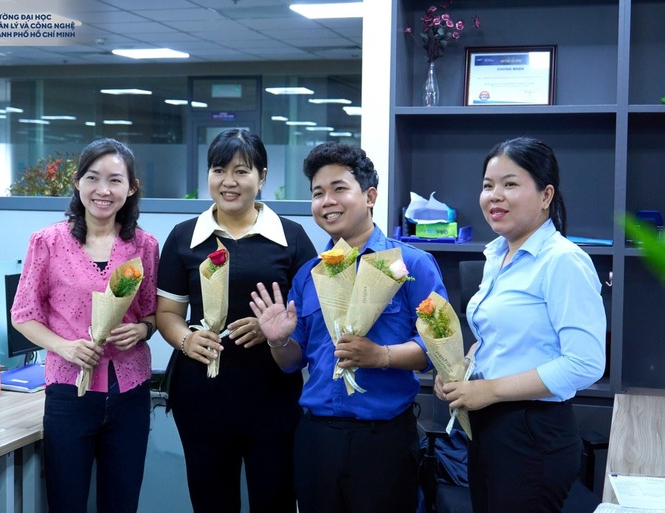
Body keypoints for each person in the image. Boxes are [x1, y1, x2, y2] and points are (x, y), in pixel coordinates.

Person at [250, 141, 447, 513]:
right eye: (317, 193)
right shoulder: (309, 274)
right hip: (317, 439)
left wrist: (380, 355)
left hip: (383, 439)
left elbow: (437, 349)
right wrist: (277, 342)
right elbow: (292, 363)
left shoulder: (412, 265)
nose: (327, 201)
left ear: (370, 196)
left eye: (339, 189)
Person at [434, 137, 606, 512]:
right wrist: (460, 372)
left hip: (532, 432)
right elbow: (499, 339)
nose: (495, 196)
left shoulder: (562, 260)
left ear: (546, 195)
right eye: (488, 185)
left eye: (510, 184)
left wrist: (490, 389)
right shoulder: (498, 254)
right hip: (487, 426)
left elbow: (585, 363)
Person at [156, 128, 317, 513]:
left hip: (273, 394)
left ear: (262, 177)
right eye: (219, 170)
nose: (228, 181)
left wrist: (271, 330)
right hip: (202, 395)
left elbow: (312, 316)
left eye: (241, 171)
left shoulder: (291, 238)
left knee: (275, 500)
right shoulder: (184, 237)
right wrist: (186, 340)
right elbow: (167, 313)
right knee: (211, 501)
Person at [10, 138, 159, 513]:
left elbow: (153, 312)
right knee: (67, 502)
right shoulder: (46, 242)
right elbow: (23, 314)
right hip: (68, 393)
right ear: (77, 182)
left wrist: (142, 330)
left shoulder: (145, 246)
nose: (103, 190)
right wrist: (65, 346)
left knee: (122, 503)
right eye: (92, 178)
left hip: (129, 393)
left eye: (114, 180)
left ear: (131, 188)